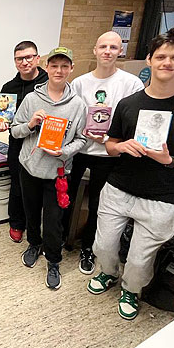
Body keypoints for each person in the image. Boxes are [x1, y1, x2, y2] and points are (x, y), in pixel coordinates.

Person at [87, 27, 174, 320]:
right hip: (119, 188)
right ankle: (108, 272)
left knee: (139, 260)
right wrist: (122, 146)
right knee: (104, 246)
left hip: (163, 196)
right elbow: (110, 145)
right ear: (149, 59)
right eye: (161, 56)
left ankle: (131, 290)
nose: (167, 63)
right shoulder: (129, 104)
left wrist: (171, 161)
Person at [64, 31, 144, 275]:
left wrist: (109, 138)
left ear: (121, 51)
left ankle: (88, 249)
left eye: (113, 47)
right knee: (65, 197)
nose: (107, 51)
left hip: (110, 155)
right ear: (95, 50)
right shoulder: (79, 83)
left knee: (99, 206)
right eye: (103, 47)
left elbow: (135, 123)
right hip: (79, 151)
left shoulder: (131, 84)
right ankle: (61, 238)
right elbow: (72, 115)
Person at [11, 47, 87, 290]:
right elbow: (15, 131)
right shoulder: (32, 99)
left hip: (58, 173)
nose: (59, 70)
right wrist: (31, 124)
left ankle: (53, 260)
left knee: (54, 220)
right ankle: (34, 244)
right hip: (30, 168)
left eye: (64, 66)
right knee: (31, 213)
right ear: (47, 67)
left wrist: (64, 152)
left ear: (71, 69)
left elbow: (82, 139)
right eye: (54, 65)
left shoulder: (78, 105)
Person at [0, 40, 48, 243]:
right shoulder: (9, 87)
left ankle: (37, 224)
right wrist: (1, 123)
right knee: (17, 184)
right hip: (17, 143)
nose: (25, 62)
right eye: (19, 59)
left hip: (42, 143)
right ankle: (17, 223)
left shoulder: (49, 83)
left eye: (29, 57)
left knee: (40, 185)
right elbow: (3, 116)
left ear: (37, 58)